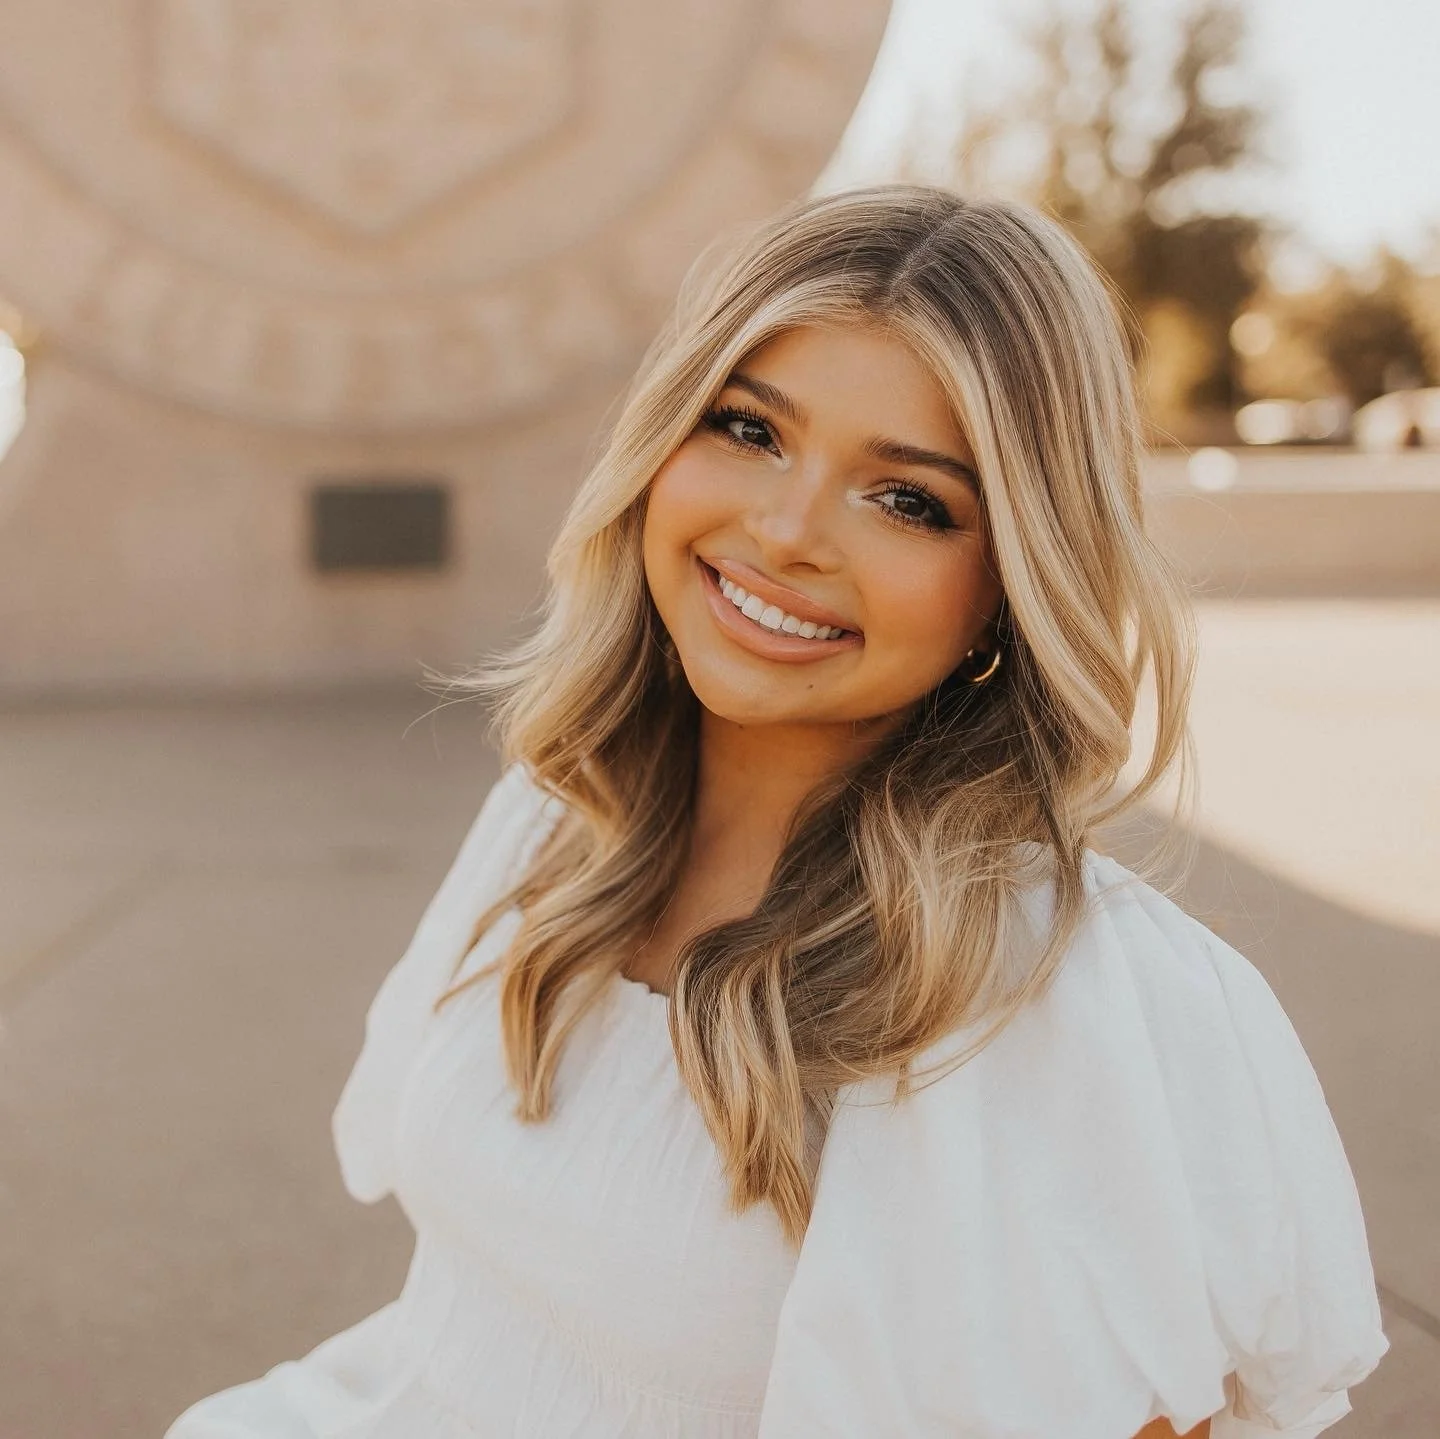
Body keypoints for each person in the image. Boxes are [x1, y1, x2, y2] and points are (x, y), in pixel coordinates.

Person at [165, 184, 1388, 1439]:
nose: (787, 531)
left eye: (909, 499)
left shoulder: (1053, 999)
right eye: (750, 429)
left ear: (1010, 586)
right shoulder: (557, 812)